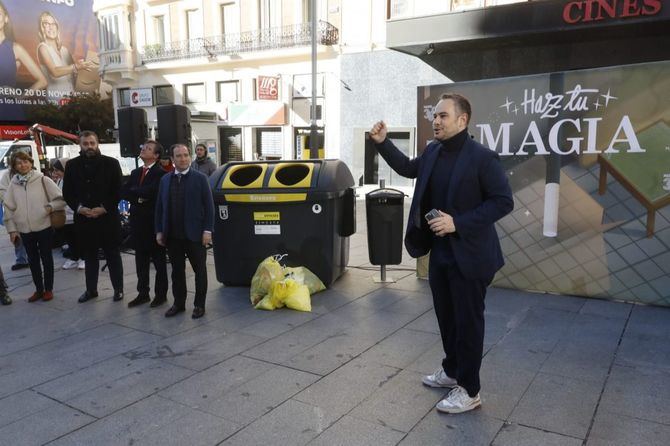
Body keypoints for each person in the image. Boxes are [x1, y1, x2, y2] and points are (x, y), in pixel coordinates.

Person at [369, 93, 513, 414]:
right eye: (434, 116)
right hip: (440, 253)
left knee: (468, 323)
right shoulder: (433, 151)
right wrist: (382, 142)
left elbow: (503, 201)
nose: (436, 121)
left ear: (462, 120)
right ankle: (451, 371)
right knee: (446, 318)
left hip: (471, 255)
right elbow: (408, 168)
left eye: (443, 116)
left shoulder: (482, 158)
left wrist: (457, 222)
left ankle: (470, 390)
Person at [63, 130, 124, 303]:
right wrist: (79, 208)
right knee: (89, 257)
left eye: (92, 143)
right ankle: (91, 290)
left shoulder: (111, 163)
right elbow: (68, 192)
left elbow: (118, 190)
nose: (89, 147)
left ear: (97, 144)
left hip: (107, 218)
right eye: (85, 144)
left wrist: (103, 208)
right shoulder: (72, 165)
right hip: (84, 219)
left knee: (113, 255)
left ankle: (118, 289)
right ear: (80, 145)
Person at [155, 144, 214, 319]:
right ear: (172, 159)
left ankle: (199, 305)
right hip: (173, 235)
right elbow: (159, 207)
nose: (183, 158)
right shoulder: (165, 180)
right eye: (179, 156)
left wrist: (207, 231)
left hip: (195, 234)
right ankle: (178, 304)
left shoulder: (200, 178)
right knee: (177, 272)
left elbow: (209, 208)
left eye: (186, 155)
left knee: (200, 271)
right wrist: (159, 231)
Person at [3, 151, 65, 302]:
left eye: (25, 161)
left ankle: (48, 289)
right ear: (14, 166)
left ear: (31, 162)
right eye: (19, 163)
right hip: (24, 229)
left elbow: (61, 200)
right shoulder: (13, 184)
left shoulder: (43, 179)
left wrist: (48, 208)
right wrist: (12, 230)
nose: (23, 165)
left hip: (43, 226)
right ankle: (39, 289)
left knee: (46, 258)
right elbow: (9, 208)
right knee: (32, 260)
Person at [120, 140, 168, 308]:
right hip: (137, 223)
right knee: (140, 260)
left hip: (153, 224)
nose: (143, 149)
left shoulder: (160, 173)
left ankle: (161, 294)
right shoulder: (135, 172)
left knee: (159, 261)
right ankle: (143, 293)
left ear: (155, 155)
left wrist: (137, 195)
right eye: (143, 147)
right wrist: (139, 197)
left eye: (147, 148)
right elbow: (124, 191)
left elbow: (153, 192)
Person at [36, 11, 92, 94]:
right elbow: (55, 72)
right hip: (55, 100)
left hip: (72, 98)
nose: (50, 27)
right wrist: (76, 67)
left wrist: (82, 66)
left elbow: (74, 72)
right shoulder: (42, 48)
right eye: (46, 24)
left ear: (57, 27)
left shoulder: (64, 50)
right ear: (42, 28)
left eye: (53, 24)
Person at [0, 1, 47, 91]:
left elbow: (43, 81)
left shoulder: (16, 49)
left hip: (6, 104)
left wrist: (20, 97)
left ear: (6, 19)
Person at [50, 158, 84, 270]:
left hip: (74, 214)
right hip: (64, 216)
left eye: (57, 170)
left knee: (78, 238)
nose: (55, 173)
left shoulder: (74, 180)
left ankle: (82, 258)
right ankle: (74, 257)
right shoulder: (60, 180)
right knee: (69, 238)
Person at [0, 161, 29, 270]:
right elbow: (2, 190)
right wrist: (11, 199)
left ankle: (31, 257)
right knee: (16, 236)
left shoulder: (31, 173)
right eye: (18, 163)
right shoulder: (7, 175)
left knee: (30, 236)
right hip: (14, 210)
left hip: (29, 209)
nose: (21, 165)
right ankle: (21, 259)